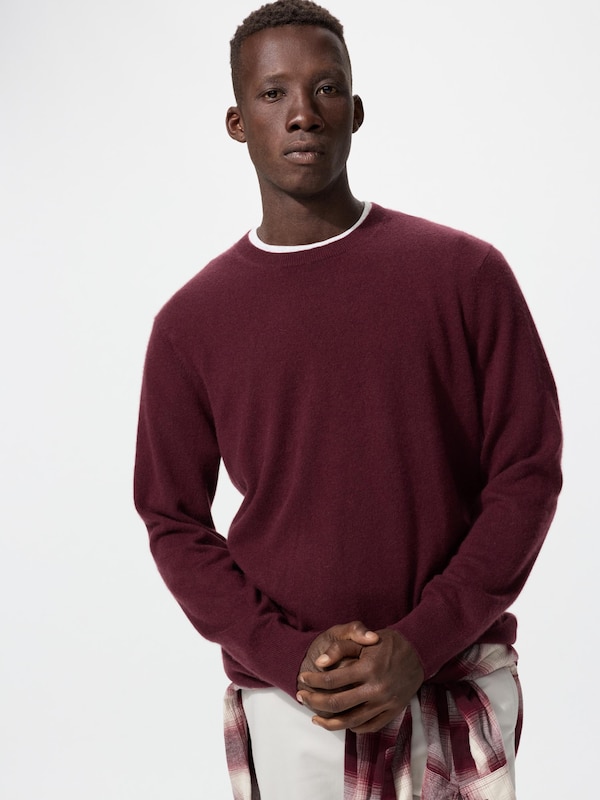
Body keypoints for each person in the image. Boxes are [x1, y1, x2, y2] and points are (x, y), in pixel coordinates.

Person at [133, 1, 562, 797]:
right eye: (273, 93)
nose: (302, 113)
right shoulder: (190, 324)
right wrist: (285, 654)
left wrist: (423, 640)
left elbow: (527, 474)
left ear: (356, 110)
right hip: (293, 705)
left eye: (325, 88)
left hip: (453, 679)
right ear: (237, 121)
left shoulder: (466, 276)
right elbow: (171, 518)